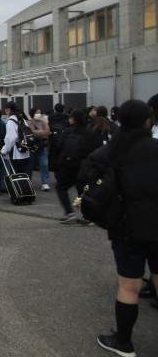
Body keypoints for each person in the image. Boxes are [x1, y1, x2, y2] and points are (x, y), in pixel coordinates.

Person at [90, 100, 158, 356]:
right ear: (147, 121)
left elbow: (88, 181)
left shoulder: (113, 152)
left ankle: (124, 342)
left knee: (129, 287)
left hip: (128, 227)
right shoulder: (155, 147)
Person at [55, 109, 92, 224]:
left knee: (61, 187)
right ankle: (88, 216)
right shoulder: (87, 132)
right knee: (82, 191)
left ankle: (69, 213)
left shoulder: (68, 131)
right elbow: (91, 148)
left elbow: (59, 145)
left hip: (68, 164)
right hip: (83, 165)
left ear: (73, 119)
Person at [0, 102, 30, 176]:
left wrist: (6, 149)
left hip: (16, 153)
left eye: (6, 109)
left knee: (15, 174)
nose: (5, 111)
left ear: (9, 109)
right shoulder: (22, 120)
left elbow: (11, 138)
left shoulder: (10, 122)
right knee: (24, 174)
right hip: (25, 150)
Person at [27, 108, 51, 191]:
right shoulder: (29, 123)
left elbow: (48, 132)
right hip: (32, 147)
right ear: (33, 114)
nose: (39, 114)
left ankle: (45, 183)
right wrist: (43, 132)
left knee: (44, 164)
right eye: (37, 113)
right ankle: (28, 182)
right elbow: (32, 133)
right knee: (29, 166)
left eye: (40, 112)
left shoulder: (43, 122)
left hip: (42, 146)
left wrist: (39, 133)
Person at [48, 103, 70, 173]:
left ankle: (54, 168)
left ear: (55, 109)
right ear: (63, 109)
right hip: (63, 138)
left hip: (53, 138)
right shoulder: (66, 118)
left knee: (53, 154)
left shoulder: (50, 117)